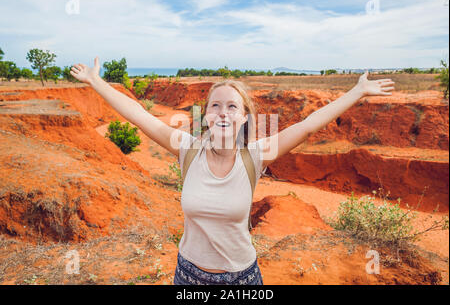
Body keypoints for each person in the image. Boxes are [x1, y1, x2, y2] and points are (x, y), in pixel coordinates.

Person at [70, 58, 395, 285]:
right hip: (188, 274)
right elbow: (139, 115)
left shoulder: (256, 155)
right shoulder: (188, 149)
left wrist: (357, 91)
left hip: (241, 276)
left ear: (243, 118)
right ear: (205, 115)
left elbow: (307, 126)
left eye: (232, 106)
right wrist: (96, 82)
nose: (222, 112)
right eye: (215, 105)